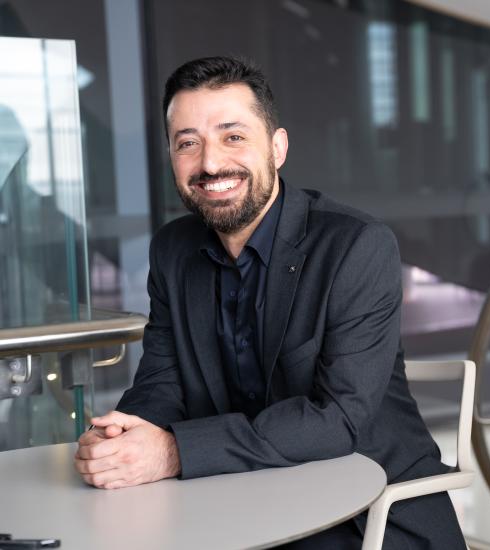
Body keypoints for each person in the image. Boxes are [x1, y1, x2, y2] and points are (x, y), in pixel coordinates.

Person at [73, 56, 465, 549]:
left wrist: (173, 452)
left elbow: (338, 419)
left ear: (277, 148)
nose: (211, 163)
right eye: (188, 143)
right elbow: (162, 381)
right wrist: (126, 437)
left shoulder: (356, 245)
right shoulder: (173, 249)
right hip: (237, 495)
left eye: (233, 136)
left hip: (364, 506)